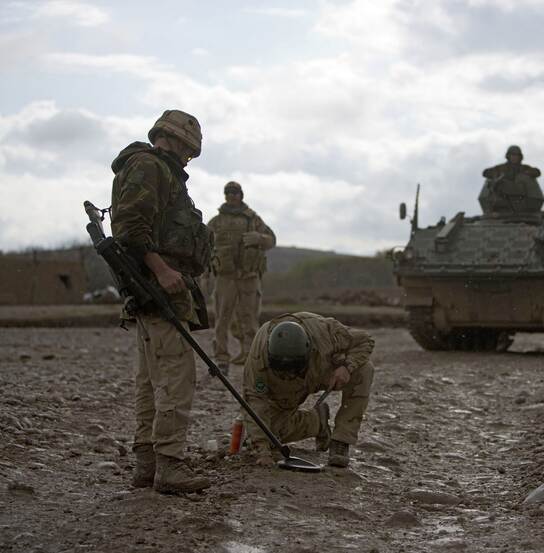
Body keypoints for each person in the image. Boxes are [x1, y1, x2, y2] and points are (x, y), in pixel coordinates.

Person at [110, 109, 212, 494]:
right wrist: (161, 270)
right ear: (177, 140)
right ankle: (168, 465)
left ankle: (147, 464)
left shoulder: (159, 170)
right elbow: (129, 225)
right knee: (175, 377)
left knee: (152, 379)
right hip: (158, 288)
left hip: (154, 290)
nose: (188, 156)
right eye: (188, 148)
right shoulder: (150, 166)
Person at [242, 312, 375, 468]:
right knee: (269, 434)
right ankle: (317, 422)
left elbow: (366, 340)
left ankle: (341, 440)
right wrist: (262, 450)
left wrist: (347, 367)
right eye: (284, 368)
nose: (289, 373)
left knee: (364, 369)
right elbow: (255, 402)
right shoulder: (258, 360)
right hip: (282, 388)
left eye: (293, 369)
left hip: (320, 371)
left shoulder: (326, 333)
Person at [207, 182, 276, 374]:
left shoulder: (253, 219)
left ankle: (251, 358)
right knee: (222, 319)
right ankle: (222, 359)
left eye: (235, 192)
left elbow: (272, 239)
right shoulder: (217, 222)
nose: (231, 196)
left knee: (250, 319)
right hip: (225, 277)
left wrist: (259, 239)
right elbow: (202, 242)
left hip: (249, 277)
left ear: (241, 195)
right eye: (228, 192)